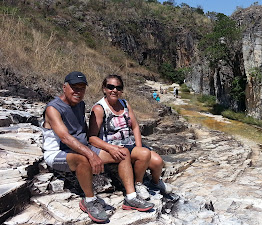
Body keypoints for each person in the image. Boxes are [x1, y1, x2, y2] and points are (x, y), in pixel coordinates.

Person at [42, 71, 154, 223]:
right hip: (59, 153)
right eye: (74, 87)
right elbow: (65, 138)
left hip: (82, 147)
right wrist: (91, 154)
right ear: (64, 87)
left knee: (122, 153)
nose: (78, 91)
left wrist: (104, 148)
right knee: (83, 160)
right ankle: (89, 200)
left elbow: (85, 133)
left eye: (81, 88)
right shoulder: (53, 108)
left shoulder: (80, 104)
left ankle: (131, 197)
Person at [88, 74, 172, 201]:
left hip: (130, 144)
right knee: (144, 154)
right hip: (113, 146)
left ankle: (155, 183)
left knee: (157, 162)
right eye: (110, 87)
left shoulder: (125, 104)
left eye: (118, 87)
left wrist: (139, 148)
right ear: (104, 88)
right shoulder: (99, 108)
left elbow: (135, 127)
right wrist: (110, 148)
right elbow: (92, 137)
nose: (114, 90)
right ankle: (139, 184)